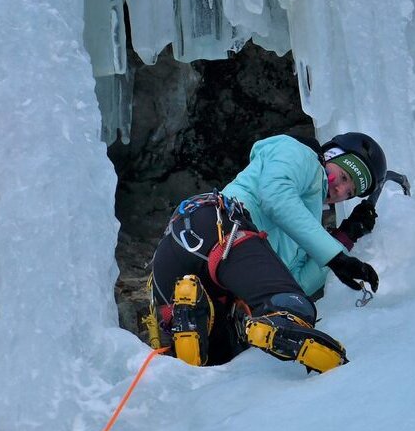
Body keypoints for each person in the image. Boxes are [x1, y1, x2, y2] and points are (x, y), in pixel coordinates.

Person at [143, 132, 386, 374]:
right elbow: (276, 196)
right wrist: (336, 257)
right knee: (289, 309)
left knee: (221, 361)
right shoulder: (301, 154)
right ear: (330, 155)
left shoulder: (305, 219)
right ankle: (335, 369)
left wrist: (345, 237)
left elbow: (293, 281)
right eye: (343, 176)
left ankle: (188, 321)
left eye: (349, 192)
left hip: (180, 265)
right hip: (219, 226)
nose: (340, 189)